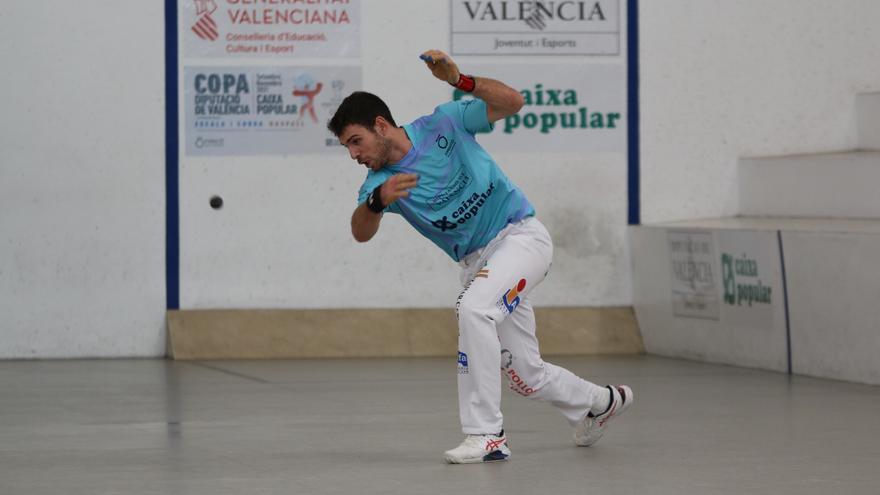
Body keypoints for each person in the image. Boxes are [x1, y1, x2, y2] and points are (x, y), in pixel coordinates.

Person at [327, 49, 633, 464]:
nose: (353, 155)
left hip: (521, 238)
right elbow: (360, 231)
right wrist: (379, 203)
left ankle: (487, 435)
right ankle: (600, 402)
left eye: (355, 141)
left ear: (381, 126)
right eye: (347, 147)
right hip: (480, 265)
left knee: (474, 310)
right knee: (527, 376)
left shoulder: (445, 122)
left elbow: (513, 103)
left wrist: (460, 81)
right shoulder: (378, 183)